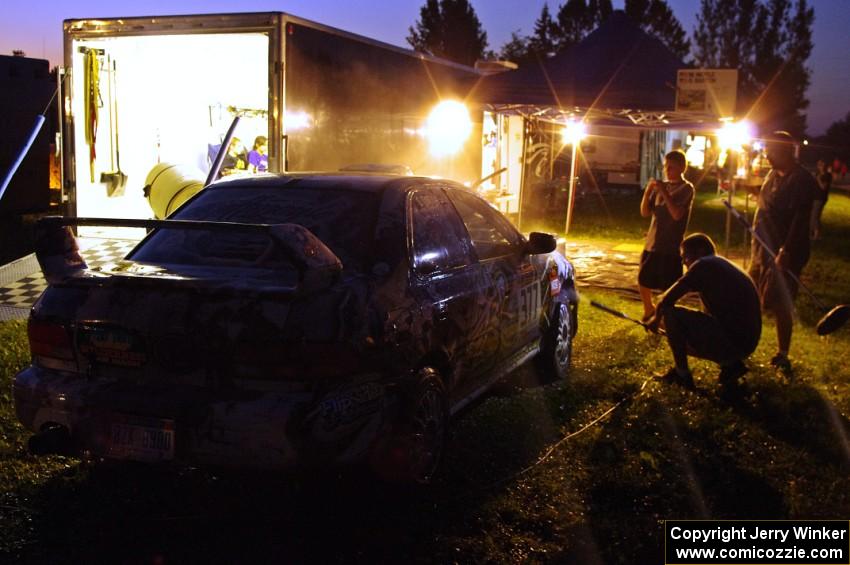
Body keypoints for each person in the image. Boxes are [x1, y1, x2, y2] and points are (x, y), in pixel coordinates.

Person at [647, 233, 761, 389]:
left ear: (700, 251)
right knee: (681, 331)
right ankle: (730, 365)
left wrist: (654, 320)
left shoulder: (704, 265)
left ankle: (682, 374)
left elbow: (666, 300)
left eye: (685, 256)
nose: (683, 262)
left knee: (671, 314)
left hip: (736, 341)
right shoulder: (720, 265)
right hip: (747, 341)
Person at [746, 131, 819, 373]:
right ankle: (745, 342)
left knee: (781, 301)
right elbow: (769, 204)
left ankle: (783, 353)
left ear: (786, 150)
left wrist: (786, 250)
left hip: (788, 250)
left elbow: (800, 219)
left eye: (771, 150)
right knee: (753, 293)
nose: (767, 154)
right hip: (764, 247)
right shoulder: (772, 175)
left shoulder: (802, 180)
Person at [638, 150, 695, 320]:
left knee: (668, 285)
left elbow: (677, 214)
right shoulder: (663, 186)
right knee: (643, 279)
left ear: (682, 168)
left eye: (672, 167)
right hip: (652, 242)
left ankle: (665, 316)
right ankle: (649, 309)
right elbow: (645, 212)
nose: (667, 170)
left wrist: (663, 191)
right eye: (666, 166)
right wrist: (648, 193)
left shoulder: (686, 188)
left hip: (670, 245)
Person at [810, 159, 831, 239]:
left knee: (814, 216)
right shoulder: (817, 173)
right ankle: (815, 233)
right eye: (818, 164)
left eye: (821, 165)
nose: (819, 166)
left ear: (824, 166)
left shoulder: (827, 175)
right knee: (815, 215)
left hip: (820, 198)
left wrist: (818, 179)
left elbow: (823, 187)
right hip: (815, 197)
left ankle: (816, 234)